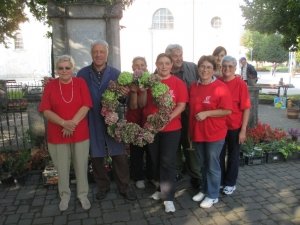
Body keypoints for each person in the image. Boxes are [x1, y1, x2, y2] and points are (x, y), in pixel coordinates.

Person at [77, 40, 137, 201]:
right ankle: (102, 186)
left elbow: (123, 101)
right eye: (95, 51)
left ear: (107, 53)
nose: (98, 54)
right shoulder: (82, 74)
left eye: (101, 51)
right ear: (91, 54)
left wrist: (124, 95)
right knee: (96, 155)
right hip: (91, 118)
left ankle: (124, 187)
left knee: (119, 155)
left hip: (112, 119)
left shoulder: (116, 73)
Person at [39, 55, 92, 211]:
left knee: (81, 166)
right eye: (60, 68)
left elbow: (86, 105)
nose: (64, 71)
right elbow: (45, 110)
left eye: (67, 68)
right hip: (57, 133)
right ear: (57, 69)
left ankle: (82, 195)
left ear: (72, 69)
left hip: (79, 133)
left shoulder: (80, 83)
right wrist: (63, 123)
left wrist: (71, 124)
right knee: (61, 168)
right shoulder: (51, 86)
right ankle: (65, 195)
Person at [139, 53, 188, 213]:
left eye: (167, 63)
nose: (164, 66)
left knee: (168, 162)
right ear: (156, 64)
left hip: (171, 129)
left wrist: (166, 119)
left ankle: (169, 198)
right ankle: (162, 189)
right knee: (155, 160)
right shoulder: (150, 82)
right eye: (161, 63)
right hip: (152, 128)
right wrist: (143, 90)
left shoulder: (178, 83)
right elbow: (143, 104)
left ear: (172, 65)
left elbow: (181, 105)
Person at [189, 55, 232, 208]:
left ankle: (213, 195)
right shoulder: (194, 86)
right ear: (198, 68)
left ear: (214, 70)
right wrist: (190, 132)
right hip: (198, 133)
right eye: (202, 66)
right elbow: (192, 111)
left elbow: (227, 110)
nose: (204, 69)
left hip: (215, 133)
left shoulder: (220, 87)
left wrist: (207, 113)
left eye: (208, 67)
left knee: (212, 165)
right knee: (202, 164)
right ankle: (204, 189)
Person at [165, 44, 201, 189]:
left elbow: (207, 78)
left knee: (190, 145)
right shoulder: (163, 69)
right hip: (171, 115)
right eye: (175, 56)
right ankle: (177, 171)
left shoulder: (192, 67)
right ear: (169, 57)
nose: (179, 58)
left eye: (180, 55)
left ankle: (196, 175)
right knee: (174, 146)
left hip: (189, 114)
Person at [219, 56, 251, 195]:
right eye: (224, 66)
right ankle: (220, 181)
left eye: (230, 66)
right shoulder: (217, 82)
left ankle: (230, 183)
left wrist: (243, 130)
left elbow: (246, 108)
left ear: (235, 68)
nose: (227, 69)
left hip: (234, 127)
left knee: (233, 155)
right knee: (218, 155)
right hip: (218, 127)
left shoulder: (240, 84)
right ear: (221, 67)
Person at [126, 56, 152, 189]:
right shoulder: (128, 82)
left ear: (146, 67)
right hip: (134, 119)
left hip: (149, 120)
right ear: (132, 68)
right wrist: (134, 91)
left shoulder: (151, 81)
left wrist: (143, 89)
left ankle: (151, 176)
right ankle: (138, 177)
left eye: (142, 65)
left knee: (151, 150)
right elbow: (134, 106)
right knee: (136, 150)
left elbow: (146, 103)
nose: (139, 68)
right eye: (136, 65)